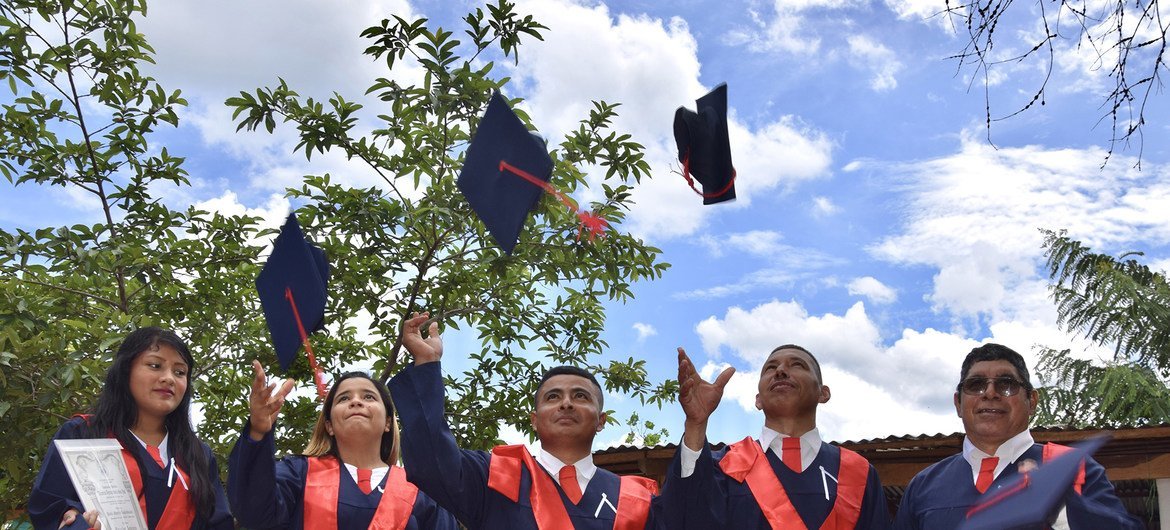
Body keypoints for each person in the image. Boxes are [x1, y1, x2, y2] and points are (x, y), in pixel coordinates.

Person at [388, 312, 661, 529]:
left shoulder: (634, 500)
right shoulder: (495, 477)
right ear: (534, 420)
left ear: (601, 421)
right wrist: (426, 364)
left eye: (580, 396)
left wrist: (695, 431)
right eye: (553, 397)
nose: (566, 403)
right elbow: (431, 463)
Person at [892, 343, 1142, 529]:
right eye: (976, 385)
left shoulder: (1073, 469)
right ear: (958, 403)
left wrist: (1067, 512)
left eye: (1006, 384)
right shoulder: (924, 485)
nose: (990, 393)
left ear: (1031, 401)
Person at [662, 346, 891, 529]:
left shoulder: (859, 473)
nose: (780, 370)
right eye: (770, 368)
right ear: (758, 399)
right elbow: (683, 519)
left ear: (823, 393)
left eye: (797, 365)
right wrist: (695, 425)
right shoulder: (724, 466)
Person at [28, 327, 234, 530]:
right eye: (155, 365)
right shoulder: (82, 434)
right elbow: (50, 507)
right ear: (125, 371)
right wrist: (72, 519)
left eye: (180, 372)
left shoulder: (198, 455)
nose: (169, 378)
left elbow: (217, 522)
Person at [227, 362, 456, 530]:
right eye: (343, 399)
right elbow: (253, 512)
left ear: (388, 422)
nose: (356, 401)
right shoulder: (299, 473)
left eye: (369, 397)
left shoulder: (420, 491)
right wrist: (258, 430)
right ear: (329, 426)